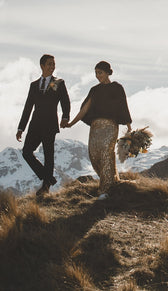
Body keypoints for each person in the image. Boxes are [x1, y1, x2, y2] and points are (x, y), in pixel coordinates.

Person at [64, 61, 132, 199]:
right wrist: (71, 123)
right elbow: (85, 109)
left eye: (100, 72)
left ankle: (104, 190)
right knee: (94, 155)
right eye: (95, 73)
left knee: (106, 152)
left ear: (107, 72)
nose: (97, 75)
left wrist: (129, 125)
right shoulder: (94, 90)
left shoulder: (117, 87)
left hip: (110, 126)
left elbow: (123, 105)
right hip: (95, 128)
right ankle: (112, 181)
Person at [16, 54, 70, 196]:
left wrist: (65, 117)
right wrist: (21, 128)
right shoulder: (34, 85)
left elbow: (65, 101)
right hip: (35, 125)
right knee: (27, 152)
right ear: (42, 66)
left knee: (48, 154)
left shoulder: (58, 82)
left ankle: (46, 185)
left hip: (50, 124)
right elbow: (28, 107)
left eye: (53, 64)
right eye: (49, 64)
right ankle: (48, 178)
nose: (52, 67)